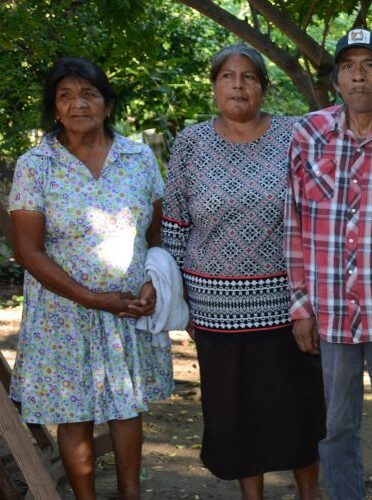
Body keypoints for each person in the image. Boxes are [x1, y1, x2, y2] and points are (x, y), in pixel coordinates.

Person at [162, 44, 323, 499]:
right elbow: (174, 224)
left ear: (264, 88)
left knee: (299, 410)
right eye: (228, 77)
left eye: (249, 76)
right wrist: (180, 300)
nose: (238, 85)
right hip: (214, 311)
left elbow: (317, 215)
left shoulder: (295, 134)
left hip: (287, 307)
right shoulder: (191, 143)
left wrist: (311, 299)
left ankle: (309, 494)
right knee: (235, 414)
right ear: (214, 87)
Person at [8, 56, 172, 499]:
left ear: (108, 104)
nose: (77, 104)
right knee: (73, 410)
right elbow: (27, 250)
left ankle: (130, 494)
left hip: (128, 307)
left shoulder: (138, 158)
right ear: (55, 109)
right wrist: (91, 298)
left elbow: (158, 234)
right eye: (65, 96)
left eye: (88, 94)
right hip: (62, 310)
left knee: (126, 406)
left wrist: (153, 281)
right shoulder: (36, 164)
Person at [285, 28, 372, 500]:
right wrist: (300, 305)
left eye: (369, 66)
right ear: (336, 80)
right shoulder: (309, 133)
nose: (358, 76)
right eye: (347, 67)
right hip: (329, 312)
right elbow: (293, 222)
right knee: (336, 427)